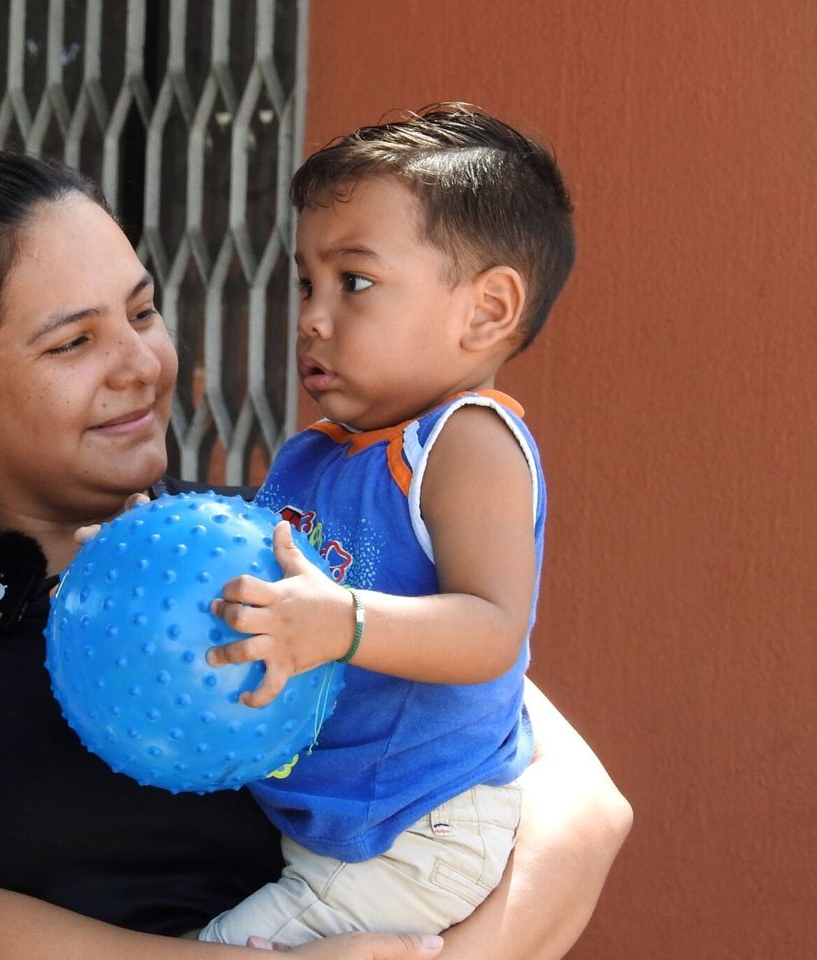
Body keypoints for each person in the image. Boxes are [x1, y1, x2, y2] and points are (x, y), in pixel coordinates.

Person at [0, 135, 630, 960]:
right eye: (75, 340)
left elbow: (578, 808)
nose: (142, 363)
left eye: (143, 311)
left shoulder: (287, 546)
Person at [196, 104, 577, 947]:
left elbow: (490, 630)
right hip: (336, 818)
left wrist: (344, 622)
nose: (312, 317)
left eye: (354, 282)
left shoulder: (465, 442)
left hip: (415, 830)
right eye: (306, 282)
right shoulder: (316, 454)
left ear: (486, 311)